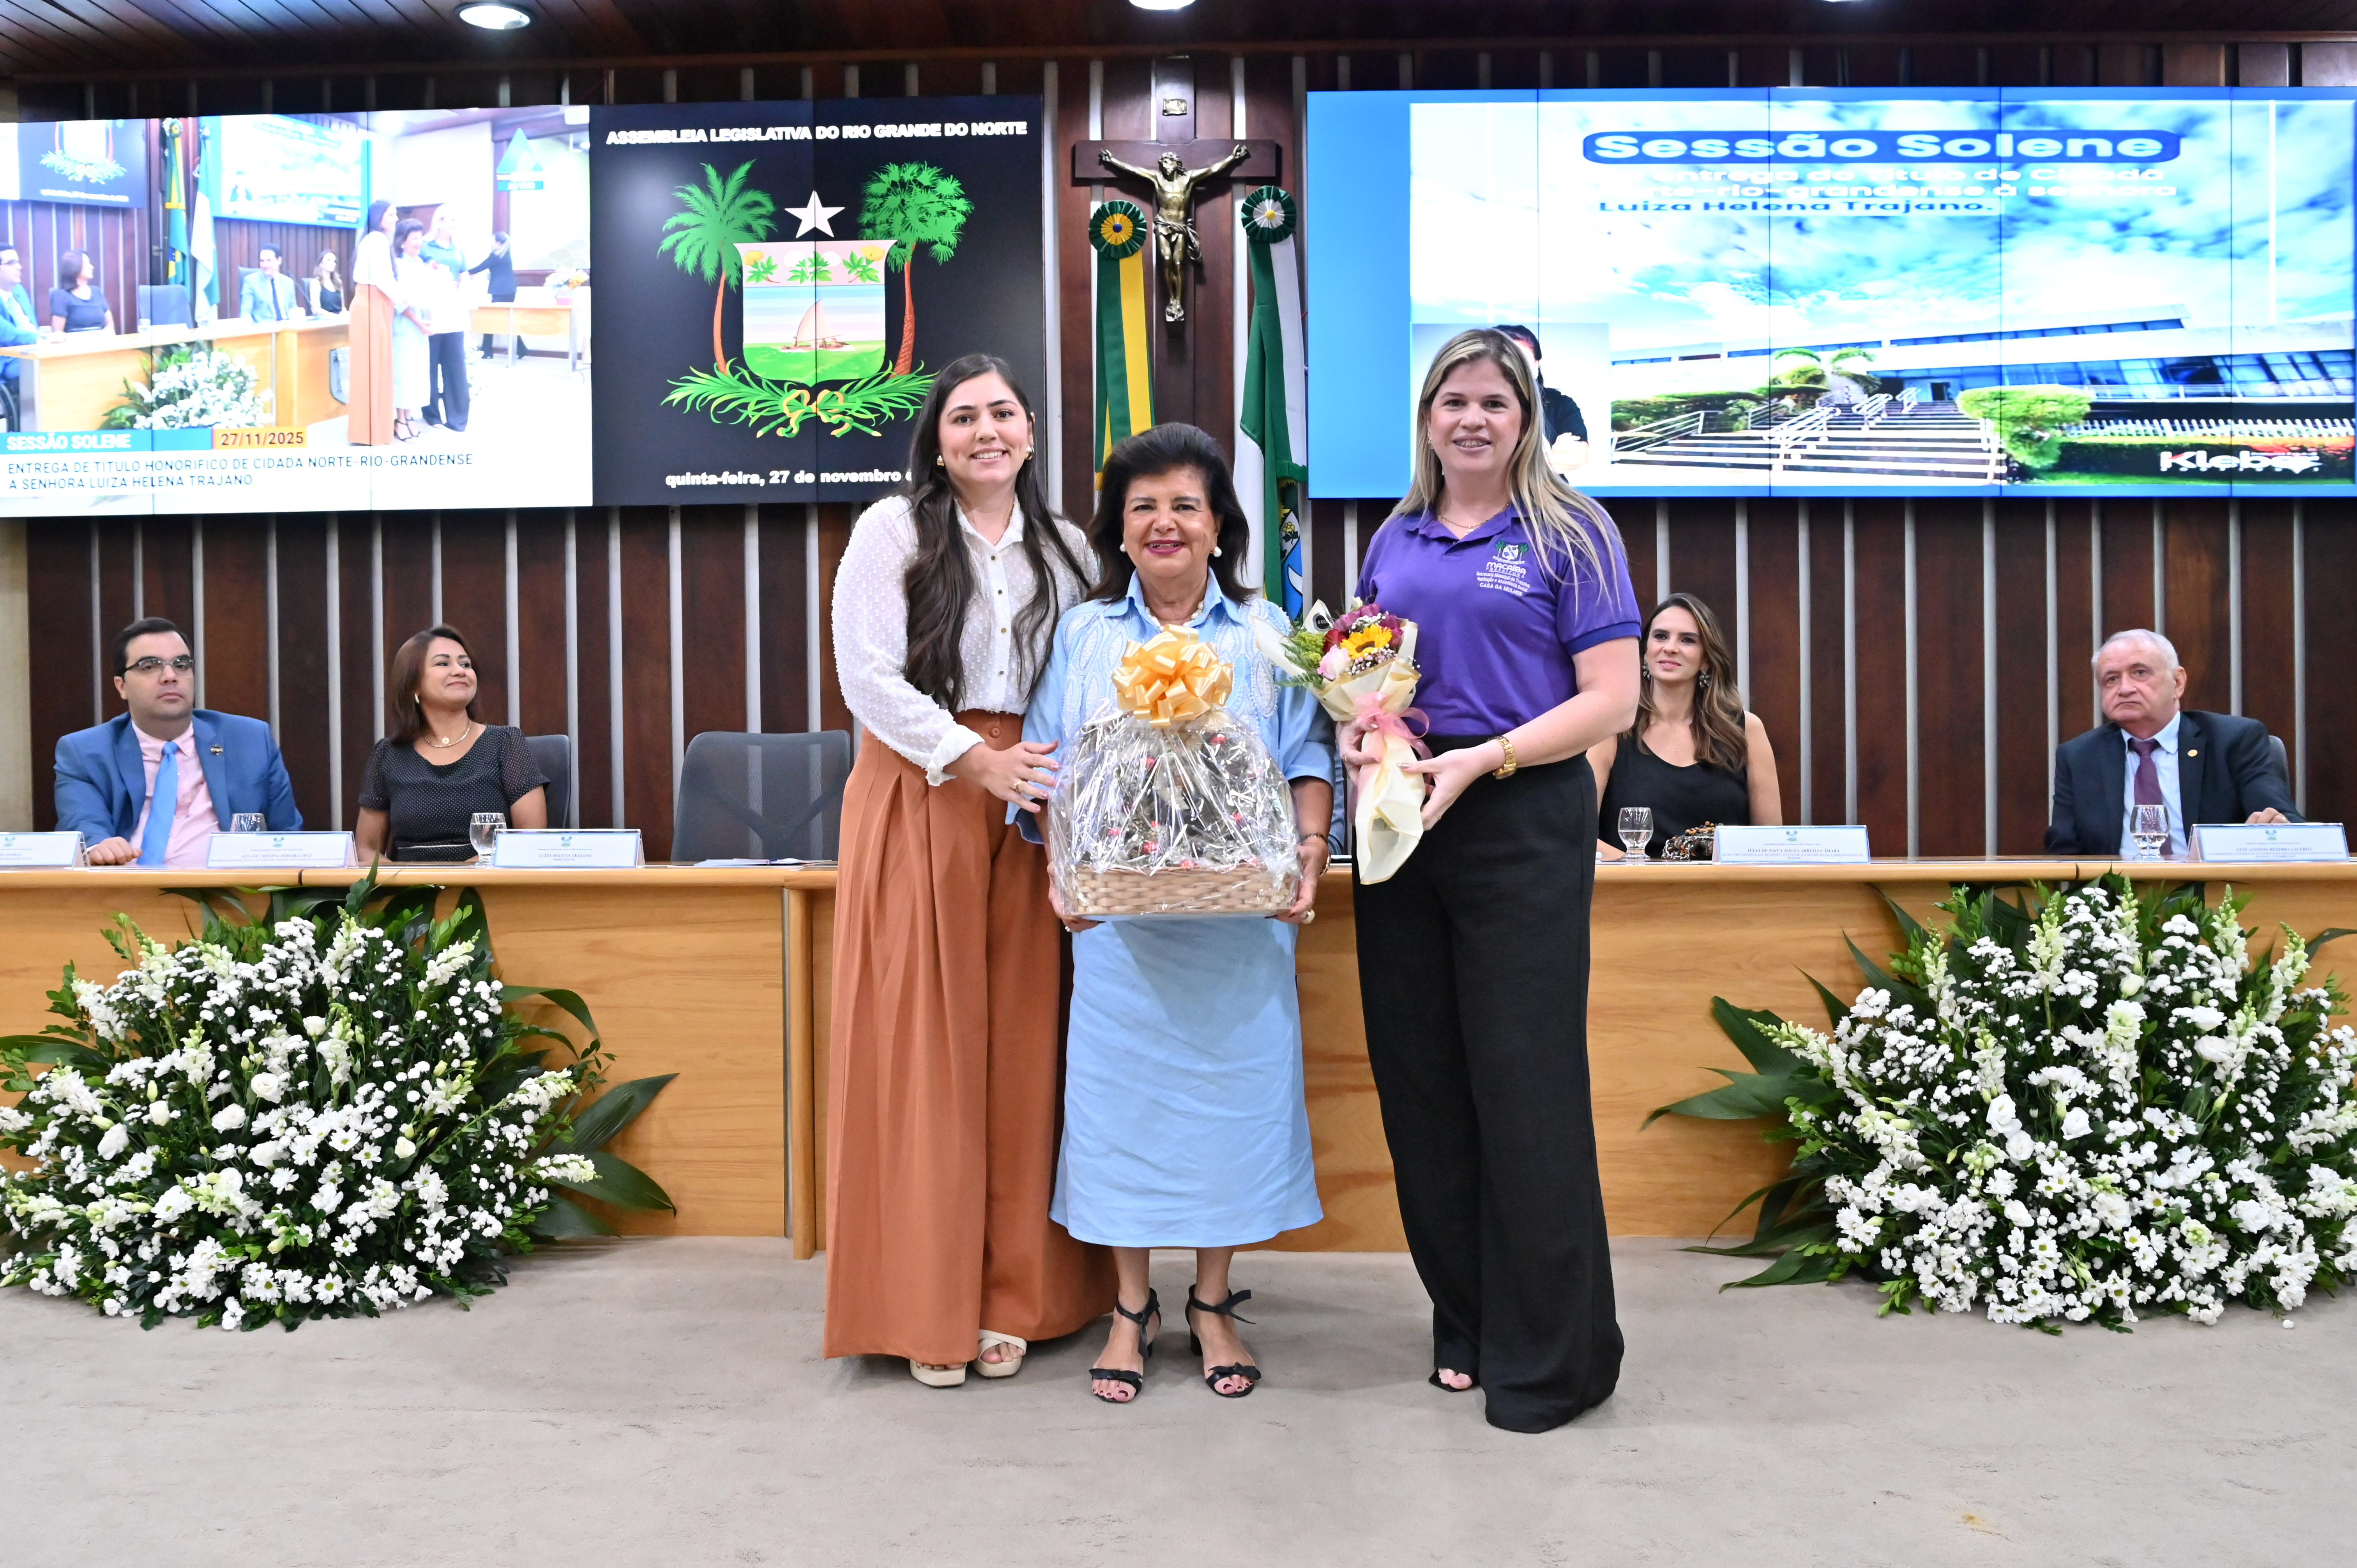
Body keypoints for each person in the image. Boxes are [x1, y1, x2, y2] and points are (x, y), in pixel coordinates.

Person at [1341, 327, 1640, 1433]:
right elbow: (1370, 680)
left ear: (1526, 420)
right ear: (1428, 418)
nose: (1472, 419)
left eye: (1494, 403)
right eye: (1453, 402)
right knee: (1422, 1082)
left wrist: (1489, 757)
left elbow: (1611, 698)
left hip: (1519, 812)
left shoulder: (1572, 531)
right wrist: (1368, 737)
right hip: (1407, 818)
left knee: (1525, 1086)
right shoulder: (1396, 537)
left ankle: (1559, 1355)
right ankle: (1467, 1319)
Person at [1024, 423, 1334, 1404]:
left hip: (1240, 929)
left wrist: (1311, 850)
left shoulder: (1267, 632)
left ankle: (1209, 1300)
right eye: (1144, 506)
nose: (1165, 522)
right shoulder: (1085, 634)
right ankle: (1130, 1306)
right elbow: (1047, 765)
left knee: (1228, 1114)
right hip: (1119, 929)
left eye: (1186, 505)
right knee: (1121, 1115)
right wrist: (1059, 871)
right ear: (1119, 529)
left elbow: (1307, 754)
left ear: (1219, 526)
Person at [824, 353, 1110, 1388]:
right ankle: (922, 1305)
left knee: (1029, 1045)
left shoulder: (1068, 547)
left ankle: (1016, 1297)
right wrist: (969, 757)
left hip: (1034, 794)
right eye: (962, 417)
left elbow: (1086, 674)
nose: (985, 430)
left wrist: (1040, 777)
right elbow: (865, 675)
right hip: (923, 783)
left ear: (1029, 431)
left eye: (1002, 413)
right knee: (924, 1047)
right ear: (937, 441)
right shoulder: (892, 531)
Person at [53, 618, 302, 867]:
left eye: (181, 665)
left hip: (229, 888)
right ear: (122, 686)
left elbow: (287, 836)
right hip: (127, 887)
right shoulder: (84, 752)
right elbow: (84, 825)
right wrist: (99, 847)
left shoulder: (250, 740)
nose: (170, 676)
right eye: (150, 666)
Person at [2045, 628, 2296, 858]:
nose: (2124, 689)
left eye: (2140, 673)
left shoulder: (2234, 741)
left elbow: (2282, 823)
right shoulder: (2079, 756)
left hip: (2215, 889)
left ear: (2177, 682)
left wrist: (2277, 828)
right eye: (2111, 679)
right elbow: (2063, 853)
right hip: (2118, 891)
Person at [1590, 592, 1782, 858]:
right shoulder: (1612, 729)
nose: (1670, 648)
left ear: (1707, 660)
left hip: (1727, 884)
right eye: (1660, 637)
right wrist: (1644, 871)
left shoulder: (1747, 730)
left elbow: (1771, 843)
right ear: (1645, 652)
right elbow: (1580, 836)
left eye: (1687, 640)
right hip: (1635, 882)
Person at [355, 625, 547, 862]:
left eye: (465, 664)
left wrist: (463, 875)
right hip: (409, 884)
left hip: (486, 882)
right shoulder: (388, 754)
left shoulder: (506, 743)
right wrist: (403, 882)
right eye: (443, 663)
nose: (460, 671)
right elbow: (367, 850)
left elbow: (530, 838)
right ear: (413, 684)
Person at [1495, 324, 1589, 473]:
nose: (1514, 369)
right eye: (1504, 360)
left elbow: (1577, 457)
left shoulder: (1560, 404)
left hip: (1547, 489)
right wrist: (1551, 456)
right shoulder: (1478, 408)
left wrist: (1506, 466)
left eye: (1522, 360)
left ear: (1537, 366)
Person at [346, 199, 401, 445]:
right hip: (373, 304)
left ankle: (371, 431)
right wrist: (407, 297)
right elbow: (383, 279)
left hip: (373, 303)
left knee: (372, 368)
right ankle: (370, 431)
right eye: (391, 215)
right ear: (379, 217)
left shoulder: (372, 239)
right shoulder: (377, 240)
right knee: (372, 369)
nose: (396, 219)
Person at [419, 213, 470, 431]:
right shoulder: (424, 246)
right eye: (452, 220)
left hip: (453, 312)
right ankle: (432, 415)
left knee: (456, 365)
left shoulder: (458, 250)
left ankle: (457, 418)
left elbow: (464, 278)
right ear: (439, 222)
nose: (456, 224)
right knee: (430, 364)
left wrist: (460, 298)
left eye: (458, 220)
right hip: (430, 312)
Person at [388, 219, 434, 442]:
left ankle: (409, 417)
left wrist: (430, 318)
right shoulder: (397, 265)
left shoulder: (420, 263)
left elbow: (426, 296)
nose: (419, 242)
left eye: (420, 238)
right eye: (415, 238)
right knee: (403, 375)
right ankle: (400, 421)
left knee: (416, 374)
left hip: (420, 327)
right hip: (404, 327)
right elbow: (398, 301)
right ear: (403, 241)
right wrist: (417, 321)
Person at [0, 244, 35, 429]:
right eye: (11, 263)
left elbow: (32, 328)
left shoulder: (19, 291)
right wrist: (42, 341)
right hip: (6, 362)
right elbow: (8, 335)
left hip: (29, 355)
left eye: (18, 262)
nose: (19, 267)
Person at [468, 231, 517, 358]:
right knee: (508, 320)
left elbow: (480, 267)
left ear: (498, 243)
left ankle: (487, 351)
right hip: (510, 291)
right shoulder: (506, 255)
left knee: (491, 320)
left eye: (492, 242)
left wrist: (463, 273)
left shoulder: (495, 256)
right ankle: (521, 350)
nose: (491, 244)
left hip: (500, 292)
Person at [48, 250, 114, 335]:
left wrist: (102, 337)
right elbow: (58, 333)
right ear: (74, 267)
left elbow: (110, 324)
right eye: (87, 264)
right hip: (74, 342)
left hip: (102, 341)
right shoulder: (61, 296)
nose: (92, 267)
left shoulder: (97, 292)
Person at [237, 244, 305, 323]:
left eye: (269, 260)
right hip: (264, 328)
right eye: (262, 261)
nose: (265, 265)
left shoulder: (288, 282)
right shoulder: (251, 281)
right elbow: (245, 312)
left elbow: (293, 309)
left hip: (287, 327)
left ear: (279, 261)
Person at [309, 247, 344, 315]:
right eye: (329, 260)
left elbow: (343, 307)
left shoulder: (339, 282)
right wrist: (332, 316)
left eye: (334, 261)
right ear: (321, 263)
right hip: (325, 319)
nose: (332, 263)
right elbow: (316, 309)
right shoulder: (316, 283)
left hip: (339, 319)